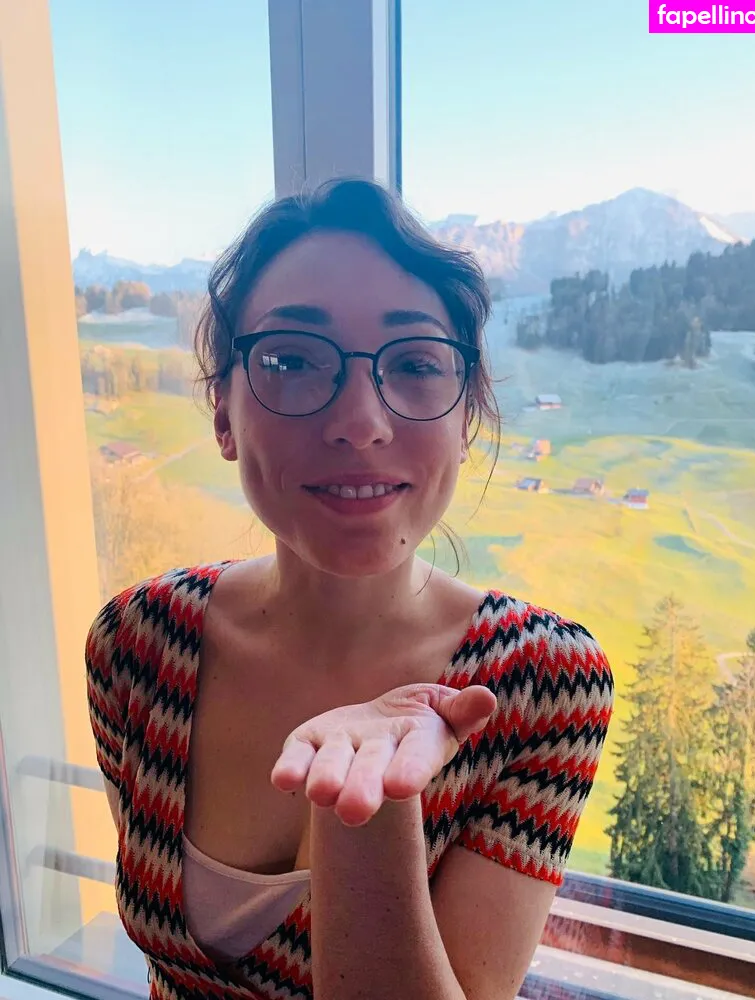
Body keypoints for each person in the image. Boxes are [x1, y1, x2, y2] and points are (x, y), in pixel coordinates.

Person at [85, 178, 614, 1000]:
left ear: (466, 421)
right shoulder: (136, 643)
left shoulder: (543, 684)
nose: (362, 422)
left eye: (415, 364)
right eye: (292, 360)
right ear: (223, 413)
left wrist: (368, 800)